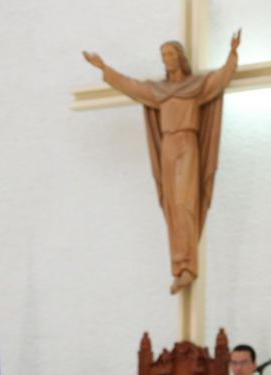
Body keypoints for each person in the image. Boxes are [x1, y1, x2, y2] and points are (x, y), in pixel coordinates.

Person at [83, 31, 241, 295]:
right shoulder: (158, 91)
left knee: (185, 203)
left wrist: (232, 54)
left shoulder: (196, 87)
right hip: (168, 146)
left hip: (188, 144)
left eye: (170, 54)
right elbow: (130, 86)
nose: (166, 59)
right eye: (163, 56)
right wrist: (104, 69)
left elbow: (220, 79)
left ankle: (189, 267)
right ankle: (179, 267)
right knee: (172, 206)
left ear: (180, 58)